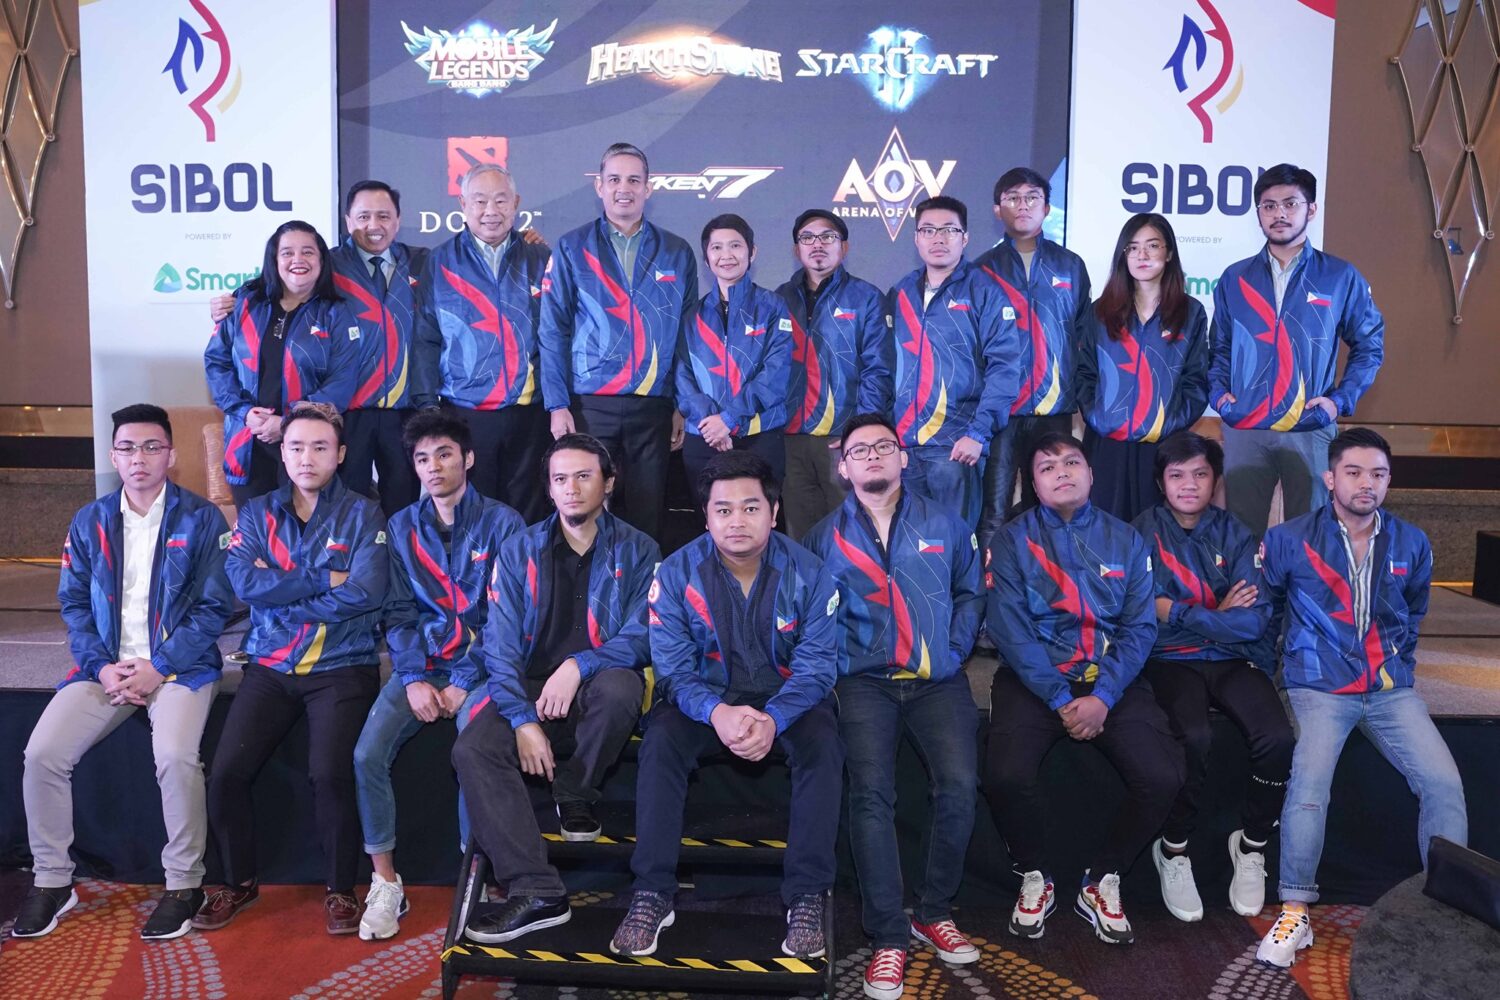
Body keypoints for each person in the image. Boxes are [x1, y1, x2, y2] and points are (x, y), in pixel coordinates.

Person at [610, 452, 843, 959]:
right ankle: (652, 891)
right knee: (661, 740)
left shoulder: (811, 572)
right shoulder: (675, 573)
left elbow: (816, 669)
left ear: (773, 512)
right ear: (706, 516)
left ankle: (807, 895)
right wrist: (717, 713)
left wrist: (774, 718)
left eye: (750, 507)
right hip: (705, 702)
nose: (737, 520)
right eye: (723, 510)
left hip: (786, 702)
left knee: (824, 742)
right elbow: (673, 671)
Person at [13, 405, 234, 941]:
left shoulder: (202, 518)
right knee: (42, 755)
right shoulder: (90, 520)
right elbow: (74, 605)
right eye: (128, 448)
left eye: (152, 447)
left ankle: (183, 884)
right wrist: (101, 667)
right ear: (113, 457)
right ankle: (53, 880)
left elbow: (214, 609)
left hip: (179, 667)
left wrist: (160, 666)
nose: (140, 458)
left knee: (175, 757)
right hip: (105, 668)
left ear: (171, 455)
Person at [1255, 428, 1467, 967]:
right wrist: (1278, 676)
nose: (1366, 483)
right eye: (1353, 472)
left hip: (1389, 691)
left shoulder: (1412, 542)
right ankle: (1296, 910)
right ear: (1330, 478)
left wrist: (1400, 670)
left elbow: (1413, 615)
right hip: (1319, 687)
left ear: (1389, 481)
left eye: (1378, 474)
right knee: (1310, 785)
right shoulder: (1288, 539)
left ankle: (1448, 913)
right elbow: (1267, 613)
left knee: (1443, 783)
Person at [803, 413, 983, 999]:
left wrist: (955, 651)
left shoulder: (946, 522)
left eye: (884, 446)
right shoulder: (822, 537)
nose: (873, 456)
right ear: (843, 467)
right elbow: (812, 616)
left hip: (937, 680)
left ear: (904, 458)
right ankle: (887, 936)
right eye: (860, 450)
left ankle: (934, 911)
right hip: (863, 685)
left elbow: (970, 591)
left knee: (959, 787)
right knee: (871, 797)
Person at [453, 433, 659, 944]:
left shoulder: (640, 549)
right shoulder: (518, 549)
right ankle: (537, 889)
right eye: (560, 479)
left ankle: (576, 792)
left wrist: (578, 664)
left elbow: (644, 635)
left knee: (621, 687)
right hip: (529, 686)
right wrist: (523, 721)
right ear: (548, 489)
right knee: (473, 749)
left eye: (584, 476)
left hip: (599, 682)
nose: (572, 488)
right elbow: (499, 646)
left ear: (608, 484)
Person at [195, 403, 390, 935]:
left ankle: (340, 889)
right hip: (271, 664)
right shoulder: (257, 512)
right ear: (282, 453)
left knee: (329, 773)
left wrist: (280, 590)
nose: (307, 457)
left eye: (320, 447)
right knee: (226, 773)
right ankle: (238, 882)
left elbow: (367, 592)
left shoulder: (365, 513)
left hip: (342, 665)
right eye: (297, 447)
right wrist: (325, 579)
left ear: (340, 454)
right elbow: (243, 583)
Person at [982, 432, 1183, 945]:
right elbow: (1010, 630)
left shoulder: (1126, 539)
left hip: (1109, 679)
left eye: (1072, 462)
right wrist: (1059, 698)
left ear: (1091, 474)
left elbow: (1140, 628)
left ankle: (1103, 878)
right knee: (1004, 774)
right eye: (1047, 467)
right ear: (1033, 484)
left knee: (1163, 776)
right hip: (1035, 679)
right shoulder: (1010, 541)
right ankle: (1035, 873)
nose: (1062, 473)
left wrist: (1103, 697)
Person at [351, 409, 523, 941]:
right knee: (366, 754)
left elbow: (507, 618)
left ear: (468, 459)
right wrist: (412, 678)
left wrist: (464, 680)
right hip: (422, 665)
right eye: (422, 458)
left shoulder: (504, 524)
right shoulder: (401, 526)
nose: (433, 467)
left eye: (444, 454)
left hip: (485, 667)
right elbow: (398, 612)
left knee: (472, 752)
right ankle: (386, 882)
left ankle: (475, 877)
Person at [1132, 431, 1291, 923]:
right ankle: (1174, 848)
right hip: (1170, 660)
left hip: (1232, 656)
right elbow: (1138, 614)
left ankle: (1252, 843)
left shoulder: (1237, 534)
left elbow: (1253, 622)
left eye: (1200, 474)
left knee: (1278, 738)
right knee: (1194, 737)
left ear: (1215, 481)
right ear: (1160, 482)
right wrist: (1214, 611)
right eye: (1177, 475)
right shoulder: (1138, 534)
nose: (1189, 484)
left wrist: (1177, 611)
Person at [1208, 163, 1385, 537]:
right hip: (1245, 427)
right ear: (1258, 213)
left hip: (1309, 426)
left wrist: (1338, 402)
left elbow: (1369, 345)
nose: (1279, 214)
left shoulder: (1339, 276)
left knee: (1311, 535)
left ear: (1311, 209)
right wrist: (1221, 398)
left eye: (1290, 203)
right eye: (1269, 206)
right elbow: (1219, 347)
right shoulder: (1235, 277)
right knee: (1240, 537)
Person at [539, 142, 699, 541]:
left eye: (633, 180)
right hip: (590, 404)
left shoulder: (677, 251)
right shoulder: (572, 247)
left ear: (648, 187)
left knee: (647, 517)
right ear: (599, 187)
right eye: (613, 179)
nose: (623, 188)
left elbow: (688, 336)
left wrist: (682, 404)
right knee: (585, 516)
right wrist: (557, 404)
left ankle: (643, 582)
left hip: (654, 406)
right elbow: (553, 329)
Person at [413, 163, 553, 521]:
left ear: (516, 203)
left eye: (501, 200)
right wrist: (427, 406)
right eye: (480, 201)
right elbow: (426, 338)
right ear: (463, 205)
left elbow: (555, 336)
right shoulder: (439, 260)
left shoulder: (539, 257)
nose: (491, 211)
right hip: (465, 412)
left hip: (530, 412)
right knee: (473, 514)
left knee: (528, 514)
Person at [204, 221, 360, 508]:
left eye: (308, 252)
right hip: (247, 441)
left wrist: (289, 423)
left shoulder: (337, 313)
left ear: (322, 260)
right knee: (255, 529)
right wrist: (243, 412)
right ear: (274, 260)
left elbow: (342, 381)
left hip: (307, 446)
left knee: (307, 529)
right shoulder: (244, 303)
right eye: (287, 252)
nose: (298, 260)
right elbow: (217, 362)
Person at [887, 196, 1019, 530]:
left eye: (949, 230)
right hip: (904, 448)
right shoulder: (901, 292)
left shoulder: (985, 291)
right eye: (928, 230)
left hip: (956, 446)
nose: (939, 238)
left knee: (953, 544)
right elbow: (884, 368)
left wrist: (978, 433)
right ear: (916, 238)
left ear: (965, 238)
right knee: (909, 543)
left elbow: (1004, 368)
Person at [975, 166, 1091, 543]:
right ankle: (992, 578)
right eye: (1012, 198)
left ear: (1047, 208)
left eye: (1032, 197)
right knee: (993, 509)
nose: (1022, 205)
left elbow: (1084, 335)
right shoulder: (981, 270)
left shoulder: (1070, 265)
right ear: (998, 210)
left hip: (1055, 409)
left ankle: (1050, 574)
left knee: (1052, 505)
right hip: (1001, 412)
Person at [1077, 213, 1209, 523]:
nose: (1142, 255)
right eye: (1133, 248)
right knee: (1108, 530)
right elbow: (1084, 374)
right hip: (1108, 443)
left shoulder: (1190, 312)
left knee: (1158, 532)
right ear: (1123, 255)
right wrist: (1099, 418)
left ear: (1169, 253)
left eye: (1152, 246)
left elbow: (1197, 380)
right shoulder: (1101, 311)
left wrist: (1168, 423)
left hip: (1163, 444)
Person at [777, 209, 892, 540]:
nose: (817, 244)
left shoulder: (867, 298)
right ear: (796, 249)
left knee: (851, 534)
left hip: (842, 438)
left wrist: (861, 431)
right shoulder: (779, 298)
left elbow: (878, 369)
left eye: (827, 237)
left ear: (844, 247)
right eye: (807, 238)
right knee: (801, 536)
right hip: (790, 437)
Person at [677, 214, 793, 487]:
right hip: (705, 437)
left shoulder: (773, 306)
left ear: (752, 252)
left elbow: (776, 372)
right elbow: (682, 376)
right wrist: (713, 423)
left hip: (759, 435)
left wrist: (729, 419)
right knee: (708, 512)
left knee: (760, 510)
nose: (726, 255)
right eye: (716, 247)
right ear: (706, 258)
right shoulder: (691, 315)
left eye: (735, 245)